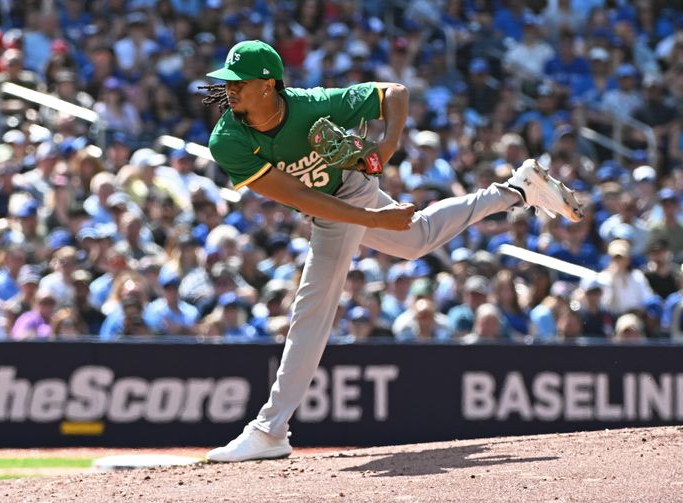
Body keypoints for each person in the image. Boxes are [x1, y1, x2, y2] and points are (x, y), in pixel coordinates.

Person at [201, 40, 584, 462]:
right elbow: (298, 196)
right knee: (416, 239)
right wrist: (376, 220)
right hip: (328, 202)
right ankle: (515, 190)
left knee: (313, 307)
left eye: (241, 81)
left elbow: (394, 94)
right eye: (228, 81)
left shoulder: (311, 105)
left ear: (270, 85)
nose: (230, 88)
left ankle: (270, 429)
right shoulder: (228, 139)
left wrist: (386, 147)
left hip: (349, 188)